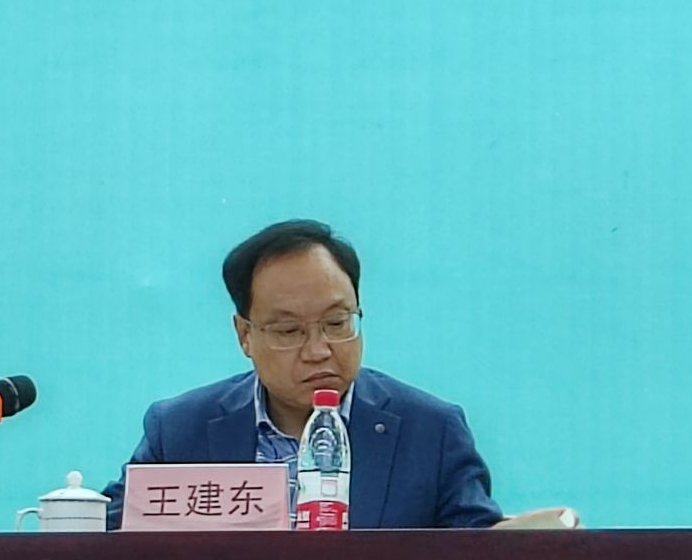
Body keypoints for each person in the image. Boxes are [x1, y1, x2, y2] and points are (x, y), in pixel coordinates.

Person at [104, 220, 504, 530]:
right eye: (289, 330)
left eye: (337, 323)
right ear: (245, 335)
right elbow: (104, 546)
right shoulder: (179, 432)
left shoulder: (432, 432)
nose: (318, 350)